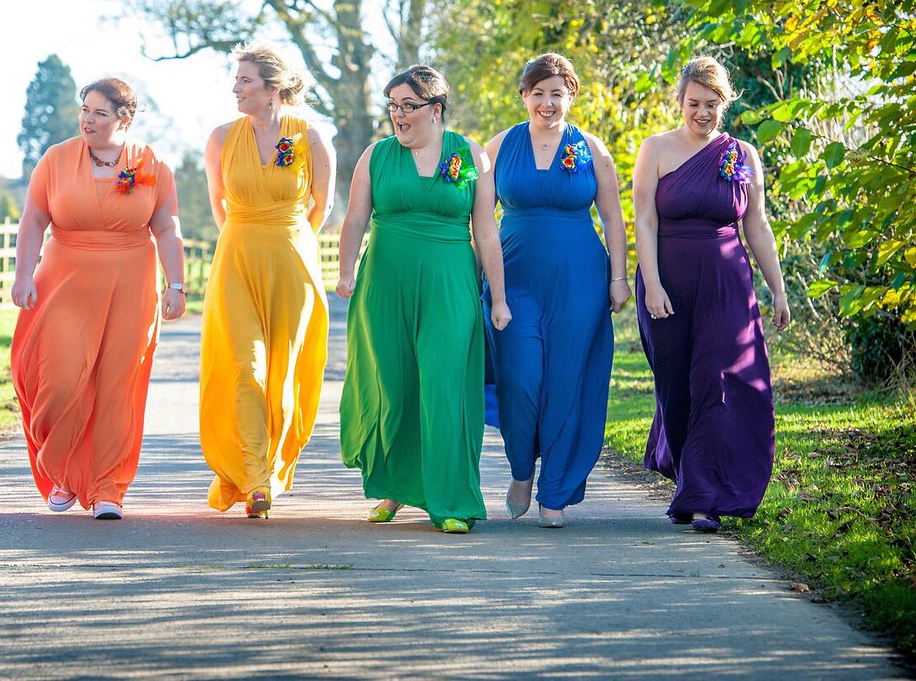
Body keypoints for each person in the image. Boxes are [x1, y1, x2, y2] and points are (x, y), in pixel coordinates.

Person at [338, 65, 510, 534]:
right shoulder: (375, 156)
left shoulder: (470, 154)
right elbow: (355, 218)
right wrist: (345, 272)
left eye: (408, 106)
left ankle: (452, 499)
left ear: (435, 110)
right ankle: (395, 488)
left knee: (444, 387)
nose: (398, 115)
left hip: (449, 285)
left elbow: (486, 230)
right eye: (393, 106)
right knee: (394, 388)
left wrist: (498, 297)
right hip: (384, 286)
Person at [10, 77, 185, 520]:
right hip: (64, 281)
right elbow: (32, 221)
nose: (87, 119)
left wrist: (176, 284)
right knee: (60, 382)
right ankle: (64, 470)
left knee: (116, 387)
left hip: (132, 283)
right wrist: (23, 274)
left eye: (99, 113)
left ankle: (108, 488)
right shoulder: (56, 159)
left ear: (124, 119)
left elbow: (166, 228)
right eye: (84, 110)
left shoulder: (152, 163)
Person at [633, 55, 790, 533]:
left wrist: (778, 290)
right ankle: (688, 478)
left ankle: (703, 498)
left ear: (725, 103)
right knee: (676, 386)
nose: (703, 113)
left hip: (727, 281)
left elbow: (757, 226)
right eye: (694, 103)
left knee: (715, 381)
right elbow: (645, 219)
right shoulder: (655, 149)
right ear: (679, 100)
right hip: (668, 282)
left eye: (713, 104)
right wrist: (653, 283)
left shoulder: (742, 154)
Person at [483, 53, 630, 528]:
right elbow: (480, 222)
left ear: (571, 96)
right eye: (539, 93)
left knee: (568, 384)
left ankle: (556, 492)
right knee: (520, 382)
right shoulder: (498, 146)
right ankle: (522, 470)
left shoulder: (591, 147)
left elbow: (612, 217)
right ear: (524, 96)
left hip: (579, 282)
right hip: (514, 282)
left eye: (558, 93)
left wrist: (619, 277)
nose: (548, 103)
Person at [199, 44, 334, 518]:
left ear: (272, 88)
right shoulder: (219, 138)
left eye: (245, 80)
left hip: (292, 260)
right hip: (236, 257)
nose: (235, 88)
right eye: (236, 80)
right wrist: (244, 238)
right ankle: (255, 479)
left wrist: (287, 238)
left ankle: (272, 468)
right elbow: (218, 202)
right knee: (246, 367)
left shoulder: (311, 135)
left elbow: (323, 204)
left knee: (283, 373)